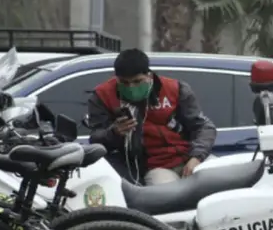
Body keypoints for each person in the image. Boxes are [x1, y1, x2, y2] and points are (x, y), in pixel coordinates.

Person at [88, 49, 217, 185]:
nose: (131, 87)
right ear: (116, 78)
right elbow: (96, 139)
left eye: (138, 81)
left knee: (219, 180)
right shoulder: (103, 96)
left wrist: (196, 157)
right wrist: (114, 133)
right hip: (156, 167)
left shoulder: (175, 89)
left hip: (190, 155)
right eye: (124, 83)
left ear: (149, 75)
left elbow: (203, 127)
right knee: (166, 196)